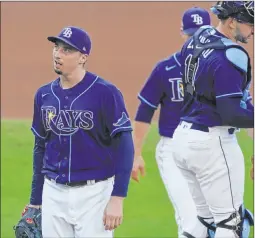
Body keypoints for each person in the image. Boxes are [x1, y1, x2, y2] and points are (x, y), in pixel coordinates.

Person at [21, 26, 134, 237]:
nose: (57, 54)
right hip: (53, 192)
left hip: (94, 194)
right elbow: (40, 148)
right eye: (56, 47)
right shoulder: (44, 95)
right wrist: (35, 202)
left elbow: (125, 143)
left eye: (66, 50)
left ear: (83, 57)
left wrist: (118, 197)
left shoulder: (105, 92)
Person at [172, 1, 254, 237]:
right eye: (250, 23)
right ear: (232, 21)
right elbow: (231, 113)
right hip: (212, 144)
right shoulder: (232, 55)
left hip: (183, 140)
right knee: (232, 224)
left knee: (205, 221)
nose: (253, 30)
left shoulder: (197, 37)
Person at [131, 7, 214, 237]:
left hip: (211, 149)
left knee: (217, 220)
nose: (195, 40)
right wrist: (136, 154)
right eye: (190, 35)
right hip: (174, 149)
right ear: (182, 33)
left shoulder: (220, 67)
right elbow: (144, 111)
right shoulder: (165, 69)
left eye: (201, 35)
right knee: (191, 221)